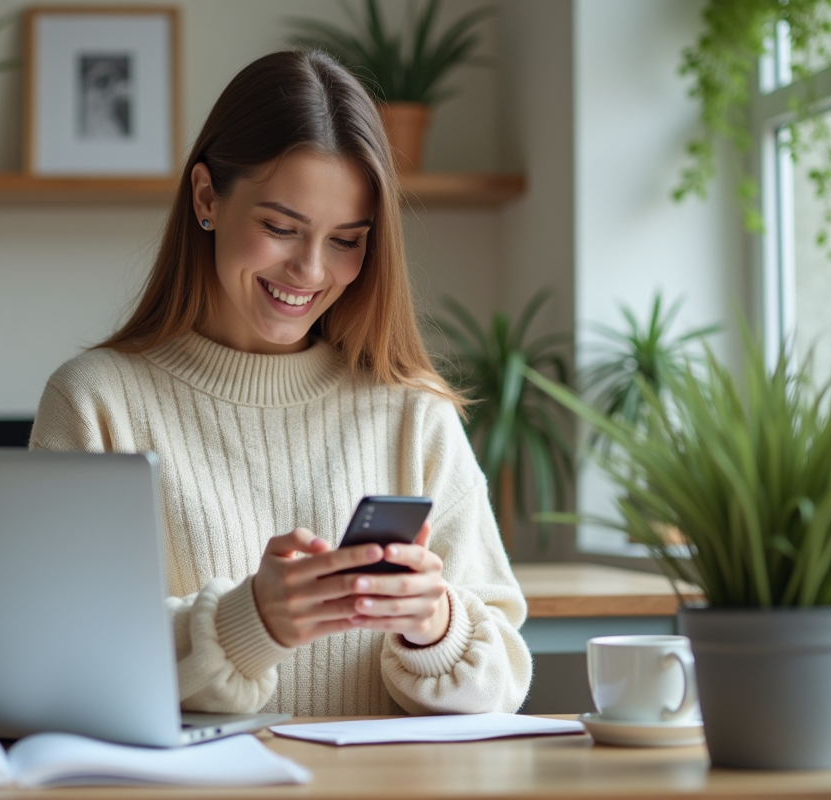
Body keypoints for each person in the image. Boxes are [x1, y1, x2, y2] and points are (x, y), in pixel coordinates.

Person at [29, 50, 531, 717]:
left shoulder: (413, 414)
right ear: (207, 197)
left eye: (348, 239)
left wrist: (435, 626)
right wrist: (250, 620)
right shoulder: (95, 403)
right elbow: (59, 659)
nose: (311, 270)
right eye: (280, 228)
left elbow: (502, 679)